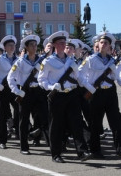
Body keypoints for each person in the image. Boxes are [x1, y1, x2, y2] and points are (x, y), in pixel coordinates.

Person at [38, 32, 91, 162]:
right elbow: (41, 80)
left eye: (64, 43)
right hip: (57, 96)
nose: (63, 45)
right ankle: (56, 154)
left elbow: (79, 77)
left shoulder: (71, 60)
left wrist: (90, 88)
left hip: (72, 94)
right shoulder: (48, 61)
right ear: (55, 45)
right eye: (60, 43)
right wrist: (51, 87)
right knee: (56, 125)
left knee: (77, 123)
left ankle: (82, 152)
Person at [77, 31, 121, 159]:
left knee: (115, 122)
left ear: (109, 47)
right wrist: (88, 86)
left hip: (110, 93)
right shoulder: (90, 59)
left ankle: (120, 148)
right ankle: (95, 150)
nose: (103, 45)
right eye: (101, 42)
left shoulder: (112, 61)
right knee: (96, 123)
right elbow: (78, 75)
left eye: (106, 43)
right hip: (96, 93)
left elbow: (116, 78)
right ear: (98, 45)